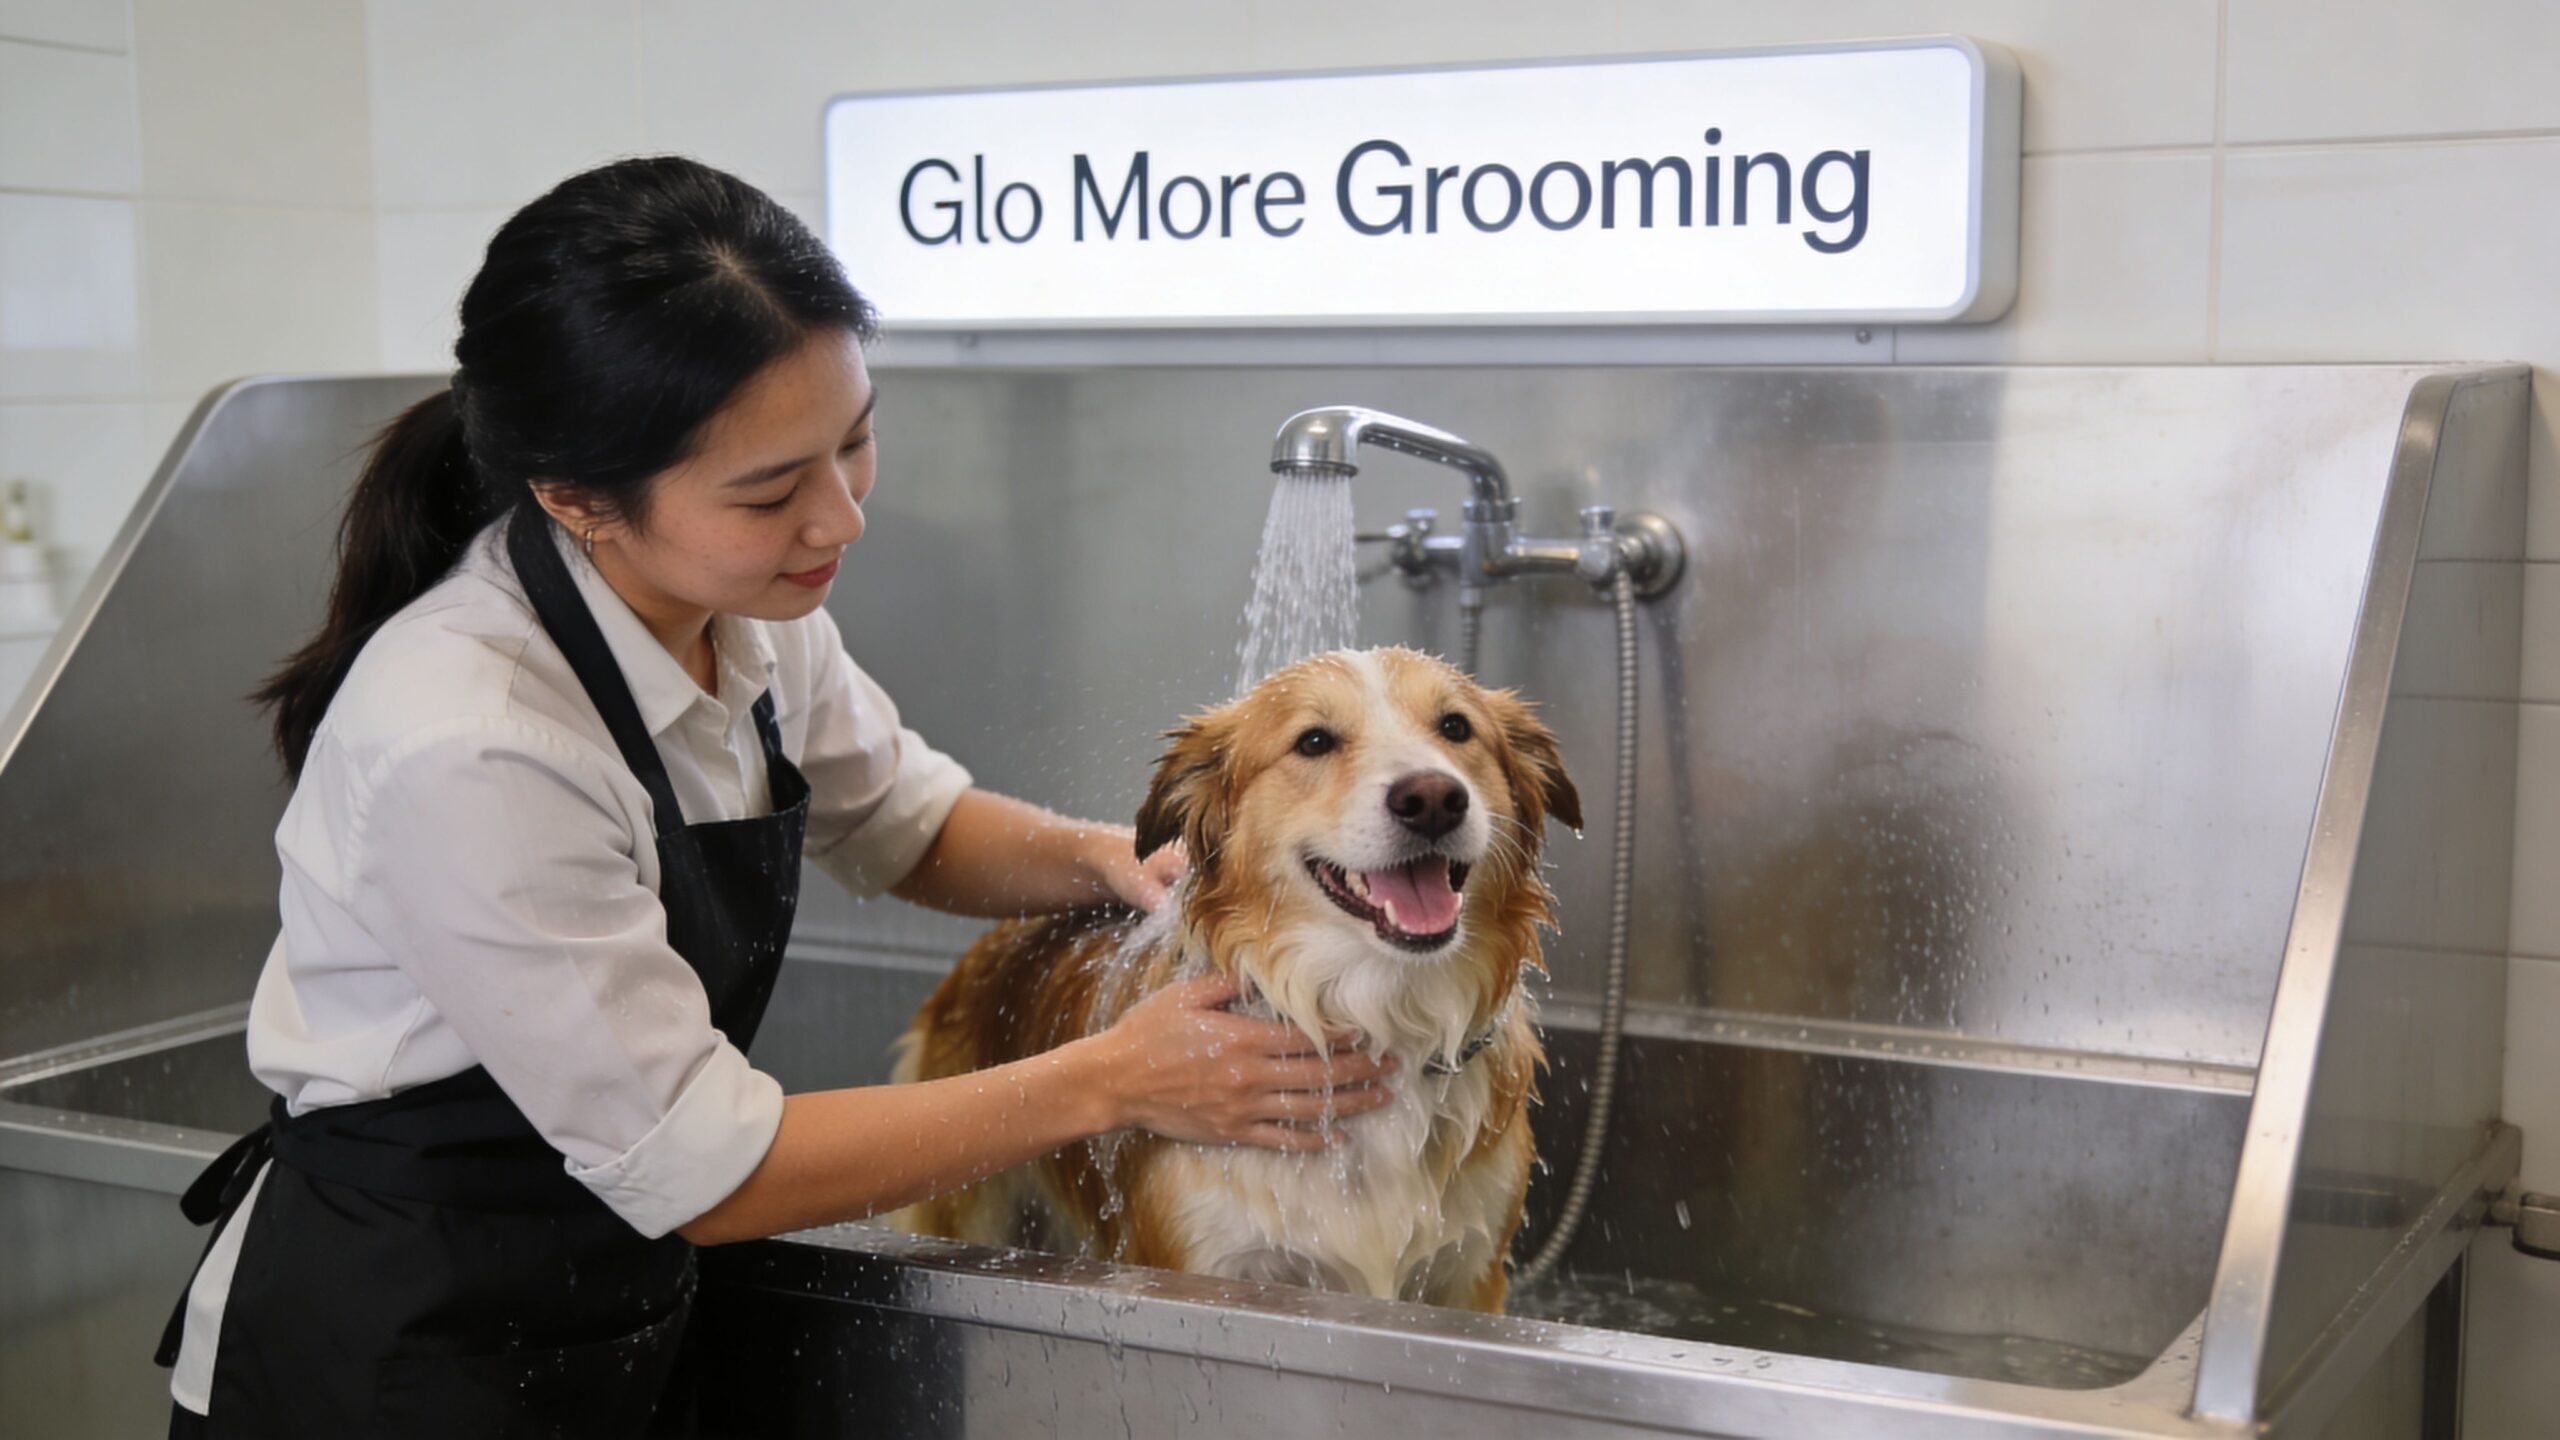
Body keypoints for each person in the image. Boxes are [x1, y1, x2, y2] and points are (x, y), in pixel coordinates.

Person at [155, 155, 1395, 1438]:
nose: (840, 517)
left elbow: (906, 823)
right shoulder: (471, 739)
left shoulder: (743, 609)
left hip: (618, 1305)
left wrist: (1111, 862)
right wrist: (1114, 1080)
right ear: (578, 497)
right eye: (769, 491)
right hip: (391, 1360)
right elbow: (709, 1166)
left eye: (854, 439)